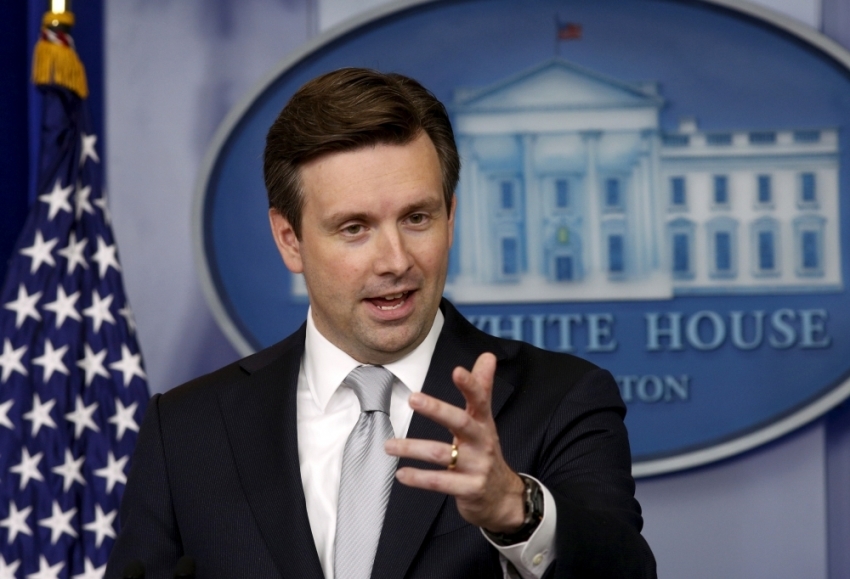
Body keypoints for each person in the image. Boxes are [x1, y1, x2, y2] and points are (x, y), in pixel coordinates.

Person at [106, 68, 656, 579]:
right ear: (289, 239)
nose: (395, 260)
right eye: (354, 228)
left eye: (417, 218)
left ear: (450, 218)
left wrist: (516, 509)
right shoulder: (187, 431)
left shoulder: (562, 400)